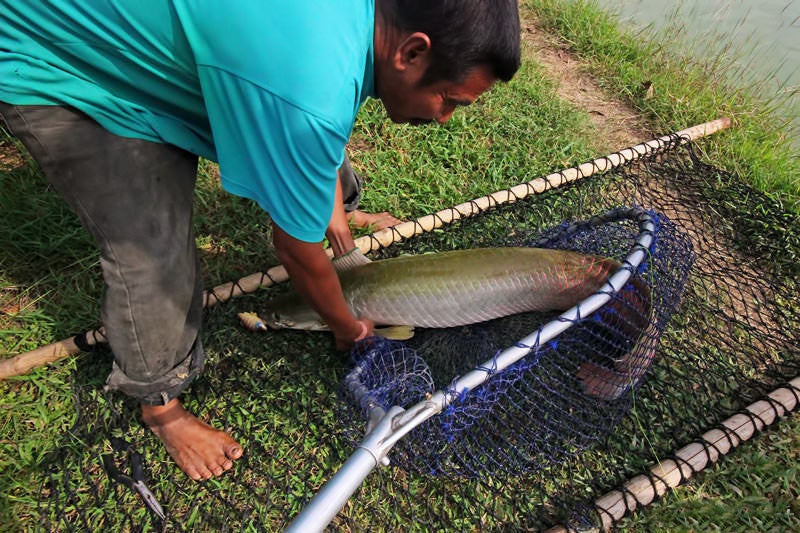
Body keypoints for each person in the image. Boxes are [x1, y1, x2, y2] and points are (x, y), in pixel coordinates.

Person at [0, 0, 521, 481]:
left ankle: (331, 212)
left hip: (199, 48)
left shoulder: (357, 27)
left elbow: (318, 114)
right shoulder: (306, 91)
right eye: (449, 101)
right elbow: (296, 251)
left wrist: (330, 213)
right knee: (152, 256)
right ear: (412, 51)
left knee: (315, 147)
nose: (442, 119)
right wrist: (347, 327)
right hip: (59, 56)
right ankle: (161, 407)